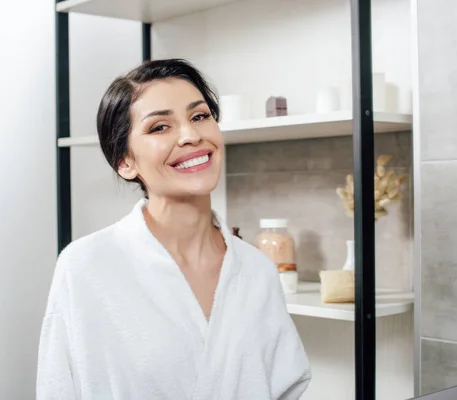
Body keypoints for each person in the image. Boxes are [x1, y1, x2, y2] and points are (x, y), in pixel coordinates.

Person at [36, 58, 311, 399]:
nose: (191, 136)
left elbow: (287, 387)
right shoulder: (86, 266)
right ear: (125, 161)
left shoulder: (257, 271)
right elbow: (58, 389)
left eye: (199, 116)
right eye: (160, 127)